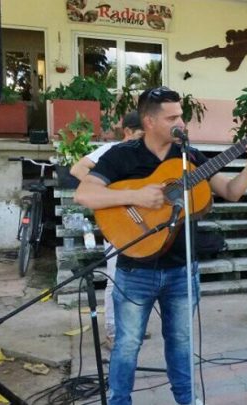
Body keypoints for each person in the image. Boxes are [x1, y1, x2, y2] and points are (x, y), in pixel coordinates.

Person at [74, 86, 247, 405]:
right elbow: (84, 194)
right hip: (135, 269)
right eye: (173, 117)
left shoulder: (190, 156)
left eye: (182, 116)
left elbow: (231, 192)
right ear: (149, 122)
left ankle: (188, 400)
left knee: (180, 342)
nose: (182, 123)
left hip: (181, 268)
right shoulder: (123, 155)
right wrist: (133, 196)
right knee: (127, 344)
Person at [70, 111, 144, 350]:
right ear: (128, 132)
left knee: (137, 277)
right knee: (116, 275)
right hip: (117, 219)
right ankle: (112, 331)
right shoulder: (111, 150)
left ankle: (130, 327)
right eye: (140, 135)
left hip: (138, 220)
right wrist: (110, 193)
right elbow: (78, 169)